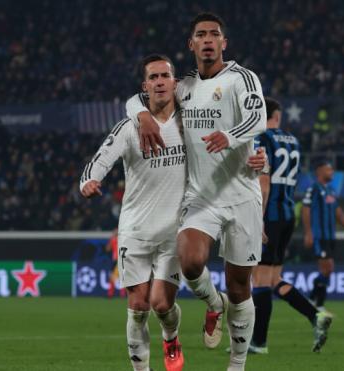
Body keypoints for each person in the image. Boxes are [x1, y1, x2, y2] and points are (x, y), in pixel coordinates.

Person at [82, 54, 266, 371]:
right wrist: (90, 179)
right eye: (152, 77)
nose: (159, 82)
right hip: (135, 229)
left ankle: (187, 323)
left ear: (175, 82)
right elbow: (101, 158)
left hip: (176, 228)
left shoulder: (190, 119)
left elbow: (233, 128)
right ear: (146, 86)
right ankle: (155, 356)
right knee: (138, 307)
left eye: (164, 76)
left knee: (161, 303)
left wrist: (256, 160)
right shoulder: (130, 127)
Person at [128, 13, 267, 371]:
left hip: (241, 196)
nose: (208, 40)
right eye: (201, 35)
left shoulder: (242, 78)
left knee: (240, 289)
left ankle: (236, 364)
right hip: (200, 198)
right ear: (191, 45)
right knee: (190, 262)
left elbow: (258, 118)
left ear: (224, 43)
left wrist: (232, 137)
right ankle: (213, 303)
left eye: (214, 34)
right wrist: (142, 116)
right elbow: (140, 97)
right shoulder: (183, 86)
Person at [249, 97, 332, 355]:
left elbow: (263, 183)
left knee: (260, 280)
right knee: (275, 279)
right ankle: (315, 315)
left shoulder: (261, 138)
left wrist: (258, 219)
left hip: (270, 214)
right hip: (287, 214)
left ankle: (259, 342)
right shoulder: (293, 140)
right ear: (279, 116)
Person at [302, 161, 344, 311]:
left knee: (328, 269)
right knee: (327, 268)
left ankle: (312, 298)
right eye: (328, 170)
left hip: (330, 236)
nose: (332, 172)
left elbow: (338, 211)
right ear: (319, 171)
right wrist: (308, 232)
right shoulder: (313, 189)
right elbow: (306, 210)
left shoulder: (331, 190)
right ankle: (318, 304)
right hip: (319, 235)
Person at [105, 228, 126, 298]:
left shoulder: (114, 239)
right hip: (119, 260)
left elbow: (107, 249)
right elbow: (108, 249)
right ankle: (120, 294)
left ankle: (111, 294)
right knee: (121, 277)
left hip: (117, 260)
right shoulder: (123, 239)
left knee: (115, 277)